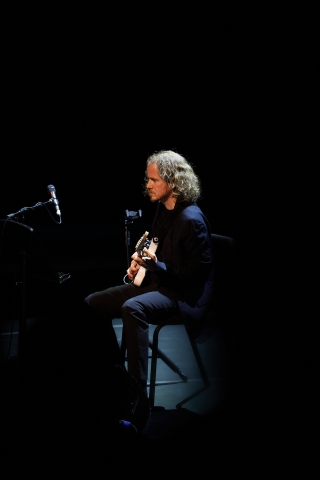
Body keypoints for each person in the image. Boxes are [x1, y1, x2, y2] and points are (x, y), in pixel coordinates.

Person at [84, 150, 214, 395]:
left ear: (172, 181)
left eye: (154, 180)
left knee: (132, 308)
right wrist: (141, 262)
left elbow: (194, 277)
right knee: (92, 303)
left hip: (183, 295)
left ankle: (136, 392)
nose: (148, 185)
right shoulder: (163, 210)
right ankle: (111, 372)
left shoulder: (192, 220)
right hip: (158, 282)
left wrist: (156, 267)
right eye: (148, 179)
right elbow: (157, 247)